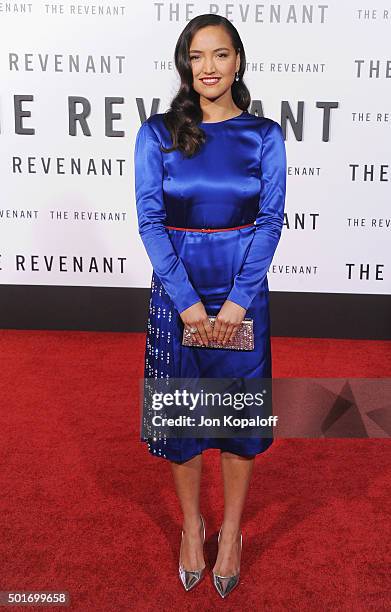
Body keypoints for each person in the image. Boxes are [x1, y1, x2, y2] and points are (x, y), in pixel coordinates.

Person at [133, 14, 287, 598]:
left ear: (238, 62)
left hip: (243, 297)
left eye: (220, 55)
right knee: (184, 419)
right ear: (185, 65)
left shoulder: (265, 136)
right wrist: (188, 302)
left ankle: (230, 534)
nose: (208, 68)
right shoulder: (157, 134)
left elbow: (270, 221)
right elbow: (150, 220)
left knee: (237, 419)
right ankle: (192, 528)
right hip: (180, 298)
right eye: (197, 57)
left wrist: (238, 301)